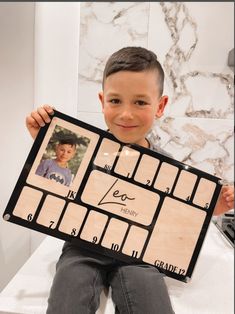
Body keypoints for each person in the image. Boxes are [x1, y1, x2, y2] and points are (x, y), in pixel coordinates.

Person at [26, 47, 234, 314]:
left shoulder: (169, 168)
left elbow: (185, 216)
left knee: (151, 301)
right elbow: (57, 177)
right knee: (67, 297)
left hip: (140, 254)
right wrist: (42, 141)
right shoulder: (82, 148)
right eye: (115, 101)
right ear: (102, 101)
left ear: (160, 106)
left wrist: (214, 207)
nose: (126, 114)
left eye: (140, 102)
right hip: (83, 247)